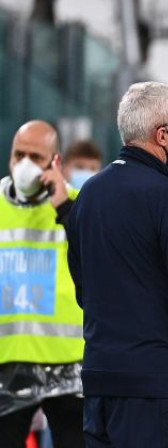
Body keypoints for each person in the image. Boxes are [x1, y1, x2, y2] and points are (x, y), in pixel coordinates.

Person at [66, 81, 168, 447]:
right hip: (158, 382)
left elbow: (82, 283)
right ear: (162, 135)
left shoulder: (88, 195)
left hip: (101, 376)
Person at [0, 121, 83, 447]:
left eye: (36, 157)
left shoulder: (76, 205)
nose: (25, 164)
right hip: (8, 363)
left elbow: (97, 258)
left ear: (54, 162)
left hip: (69, 366)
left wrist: (62, 205)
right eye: (19, 154)